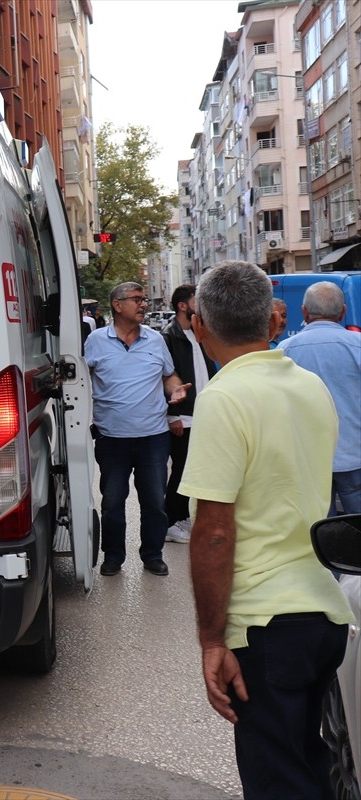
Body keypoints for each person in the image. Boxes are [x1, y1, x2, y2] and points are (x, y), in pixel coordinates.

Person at [179, 260, 353, 799]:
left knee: (278, 780)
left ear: (200, 325)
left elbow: (212, 532)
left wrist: (212, 640)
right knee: (311, 764)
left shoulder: (224, 398)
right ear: (272, 321)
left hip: (265, 625)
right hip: (322, 615)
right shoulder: (310, 388)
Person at [83, 281, 190, 578]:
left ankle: (152, 555)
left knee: (155, 502)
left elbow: (169, 376)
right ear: (118, 305)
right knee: (113, 502)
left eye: (144, 299)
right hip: (112, 438)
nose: (143, 304)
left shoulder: (156, 340)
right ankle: (114, 557)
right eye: (137, 299)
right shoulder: (95, 341)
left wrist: (176, 390)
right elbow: (80, 381)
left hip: (153, 438)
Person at [279, 281, 361, 516]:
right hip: (355, 453)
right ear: (343, 311)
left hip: (307, 458)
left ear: (304, 312)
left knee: (321, 532)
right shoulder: (357, 346)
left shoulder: (285, 350)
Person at [161, 285, 217, 544]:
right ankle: (171, 522)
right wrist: (173, 415)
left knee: (195, 469)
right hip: (183, 417)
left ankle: (182, 518)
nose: (201, 303)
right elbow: (165, 377)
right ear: (183, 305)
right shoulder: (169, 336)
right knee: (182, 470)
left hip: (202, 413)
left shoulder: (198, 333)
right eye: (196, 299)